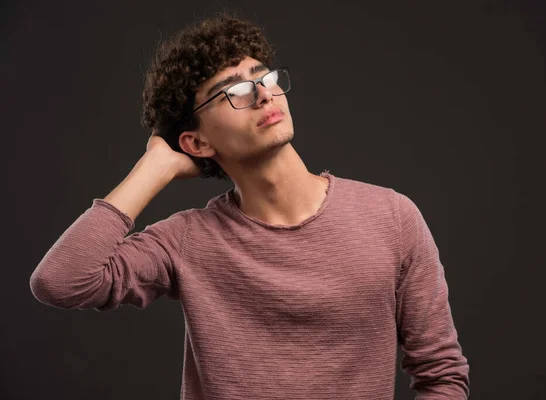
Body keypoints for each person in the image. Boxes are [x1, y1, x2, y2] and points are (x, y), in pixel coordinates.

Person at [29, 12, 470, 399]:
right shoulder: (187, 240)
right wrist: (154, 167)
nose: (263, 94)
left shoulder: (391, 217)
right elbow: (61, 281)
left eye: (265, 77)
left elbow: (442, 374)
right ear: (196, 141)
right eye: (234, 91)